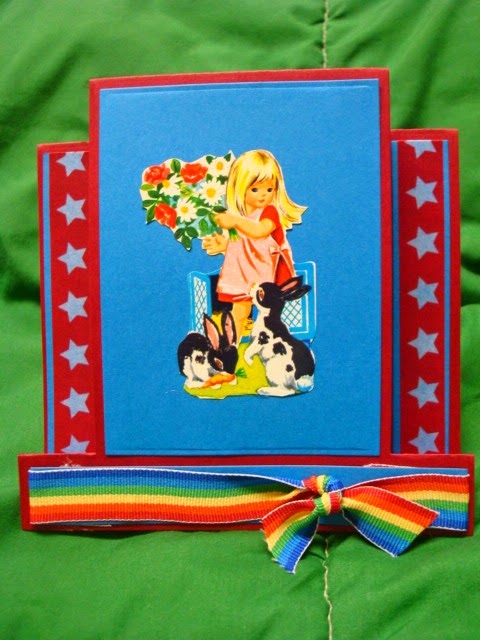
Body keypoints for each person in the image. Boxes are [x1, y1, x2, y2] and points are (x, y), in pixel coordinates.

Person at [202, 149, 307, 342]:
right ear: (240, 188)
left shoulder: (269, 212)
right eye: (255, 189)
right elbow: (246, 246)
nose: (263, 195)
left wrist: (235, 221)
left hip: (265, 276)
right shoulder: (244, 217)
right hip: (245, 274)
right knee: (239, 312)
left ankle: (269, 344)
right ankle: (231, 347)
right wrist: (224, 245)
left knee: (266, 314)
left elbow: (260, 231)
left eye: (269, 189)